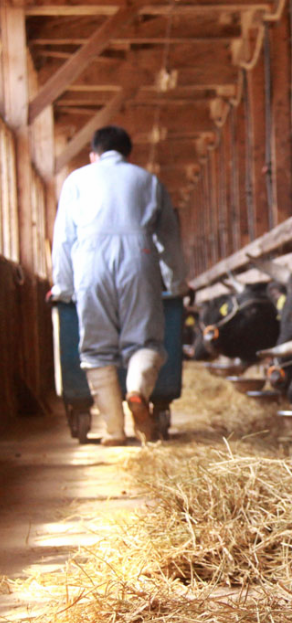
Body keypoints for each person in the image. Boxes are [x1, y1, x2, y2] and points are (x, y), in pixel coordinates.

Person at [50, 126, 188, 445]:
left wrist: (64, 287)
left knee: (97, 349)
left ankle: (113, 430)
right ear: (129, 154)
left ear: (93, 154)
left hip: (90, 260)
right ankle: (137, 392)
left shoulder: (76, 180)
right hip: (139, 257)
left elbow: (64, 240)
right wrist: (177, 283)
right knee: (145, 341)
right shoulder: (147, 180)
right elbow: (168, 238)